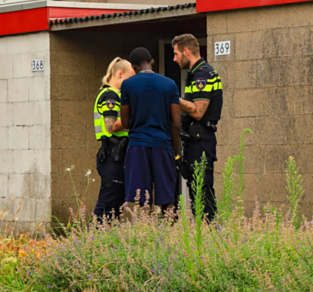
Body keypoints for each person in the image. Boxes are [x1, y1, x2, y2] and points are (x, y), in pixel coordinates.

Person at [119, 47, 182, 213]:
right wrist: (176, 150)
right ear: (152, 62)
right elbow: (176, 123)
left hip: (138, 145)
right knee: (168, 198)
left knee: (142, 199)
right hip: (163, 145)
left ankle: (145, 235)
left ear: (133, 67)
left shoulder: (128, 85)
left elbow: (125, 122)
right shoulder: (169, 84)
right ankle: (171, 235)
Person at [174, 33, 223, 222]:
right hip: (195, 139)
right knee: (196, 188)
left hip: (201, 140)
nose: (175, 59)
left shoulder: (202, 74)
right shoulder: (196, 73)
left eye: (176, 54)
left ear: (186, 51)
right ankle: (203, 230)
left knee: (202, 189)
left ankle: (208, 230)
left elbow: (198, 111)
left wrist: (172, 98)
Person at [93, 57, 134, 221]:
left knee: (114, 209)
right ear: (120, 74)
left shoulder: (112, 94)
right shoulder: (111, 96)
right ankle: (93, 241)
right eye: (129, 79)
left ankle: (106, 242)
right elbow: (110, 126)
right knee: (106, 206)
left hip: (116, 155)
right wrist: (135, 119)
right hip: (112, 155)